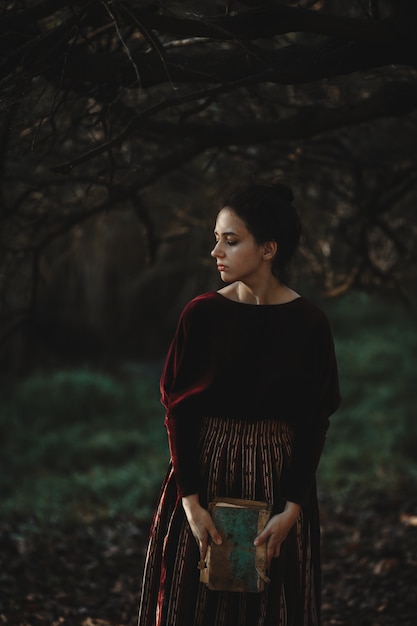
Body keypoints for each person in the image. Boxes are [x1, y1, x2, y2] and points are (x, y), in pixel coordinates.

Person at [137, 180, 341, 626]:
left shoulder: (309, 324)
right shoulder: (202, 315)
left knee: (270, 599)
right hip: (205, 474)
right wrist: (190, 502)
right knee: (192, 602)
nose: (216, 252)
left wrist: (293, 507)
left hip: (278, 476)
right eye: (216, 240)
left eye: (230, 241)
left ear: (268, 249)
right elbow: (179, 411)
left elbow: (314, 420)